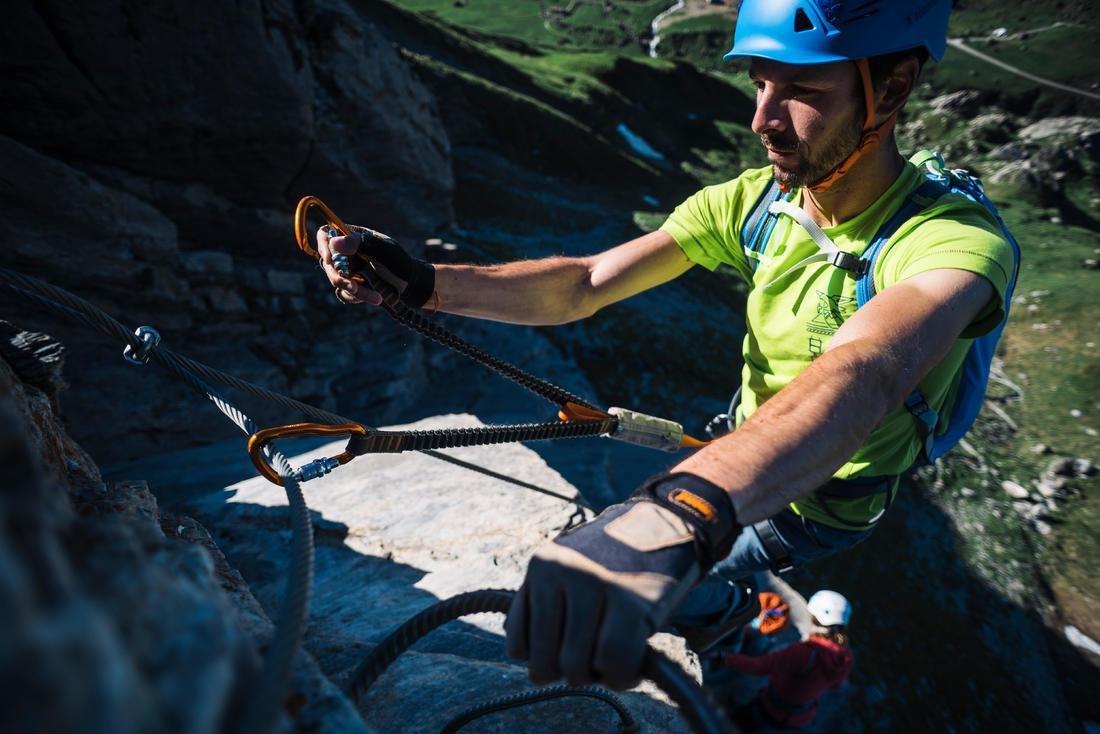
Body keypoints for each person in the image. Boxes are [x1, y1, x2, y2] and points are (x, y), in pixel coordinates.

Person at [316, 0, 1017, 691]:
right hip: (739, 453)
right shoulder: (755, 206)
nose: (764, 119)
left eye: (801, 90)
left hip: (821, 504)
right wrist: (421, 282)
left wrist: (685, 510)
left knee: (663, 576)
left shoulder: (952, 243)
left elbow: (867, 371)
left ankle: (725, 615)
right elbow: (586, 282)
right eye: (760, 84)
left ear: (891, 88)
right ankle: (721, 610)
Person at [725, 590, 855, 730]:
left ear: (814, 618)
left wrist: (724, 658)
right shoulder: (845, 657)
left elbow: (758, 667)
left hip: (770, 710)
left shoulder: (802, 652)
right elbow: (836, 685)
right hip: (801, 718)